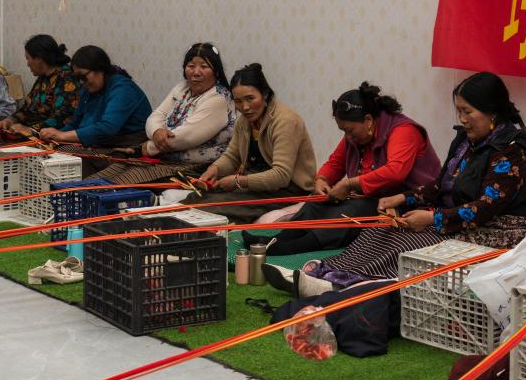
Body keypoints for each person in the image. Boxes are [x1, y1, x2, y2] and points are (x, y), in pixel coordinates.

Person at [267, 72, 526, 297]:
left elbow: (485, 209)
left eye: (467, 112)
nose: (462, 120)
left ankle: (348, 286)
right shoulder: (467, 141)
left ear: (492, 112)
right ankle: (327, 272)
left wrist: (431, 218)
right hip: (457, 219)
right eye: (459, 112)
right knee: (381, 229)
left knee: (412, 243)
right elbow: (441, 186)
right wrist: (403, 199)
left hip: (494, 232)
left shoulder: (511, 150)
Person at [266, 82, 442, 255]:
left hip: (405, 202)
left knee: (355, 209)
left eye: (349, 130)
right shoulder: (356, 135)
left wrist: (349, 184)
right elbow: (335, 163)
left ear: (368, 120)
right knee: (317, 202)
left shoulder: (404, 130)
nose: (347, 136)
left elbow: (396, 172)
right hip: (370, 199)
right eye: (343, 131)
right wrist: (322, 180)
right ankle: (278, 239)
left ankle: (300, 245)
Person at [87, 43, 236, 186]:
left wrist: (148, 147)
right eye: (191, 66)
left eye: (204, 67)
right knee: (105, 175)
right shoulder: (181, 88)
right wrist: (157, 131)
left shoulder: (219, 98)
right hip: (163, 155)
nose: (196, 72)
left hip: (194, 166)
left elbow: (185, 137)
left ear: (216, 71)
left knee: (121, 182)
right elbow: (156, 115)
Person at [192, 63, 317, 223]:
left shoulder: (285, 121)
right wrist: (214, 169)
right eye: (238, 101)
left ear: (265, 94)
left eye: (250, 98)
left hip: (287, 191)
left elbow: (281, 176)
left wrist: (238, 181)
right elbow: (232, 156)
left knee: (210, 210)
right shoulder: (243, 122)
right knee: (194, 199)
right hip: (256, 184)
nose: (245, 107)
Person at [38, 46, 149, 149]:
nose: (81, 82)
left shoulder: (122, 88)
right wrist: (54, 136)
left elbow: (107, 128)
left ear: (100, 69)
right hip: (101, 144)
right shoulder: (88, 90)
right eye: (77, 78)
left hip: (127, 146)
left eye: (83, 76)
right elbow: (75, 124)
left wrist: (62, 136)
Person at [0, 35, 79, 137]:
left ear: (39, 58)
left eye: (28, 58)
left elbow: (62, 118)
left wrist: (30, 130)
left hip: (53, 136)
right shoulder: (43, 77)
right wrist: (10, 120)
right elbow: (27, 108)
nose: (27, 64)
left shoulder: (67, 79)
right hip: (33, 132)